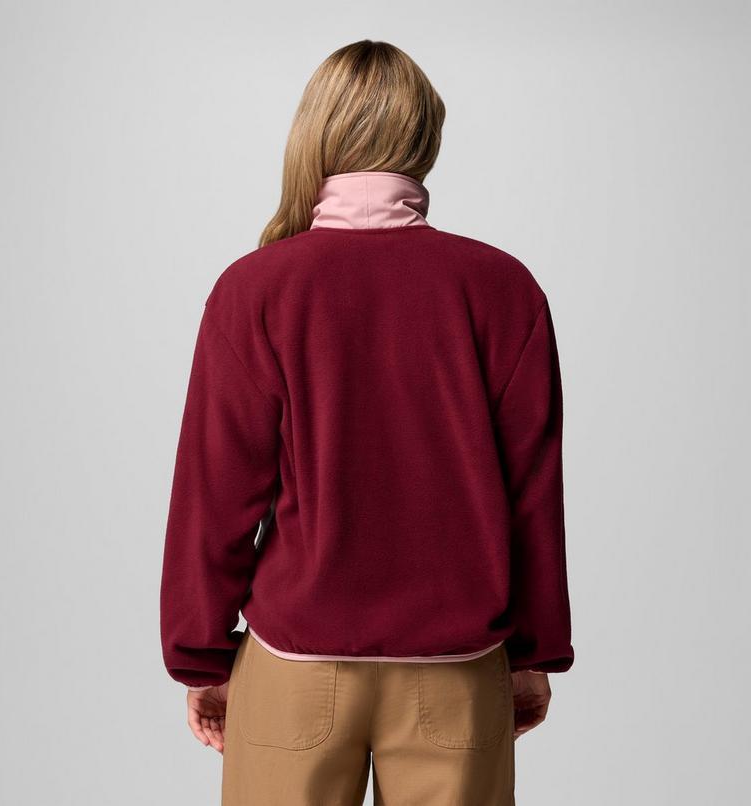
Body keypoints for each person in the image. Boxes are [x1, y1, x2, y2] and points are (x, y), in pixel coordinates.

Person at [159, 38, 574, 806]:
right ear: (426, 140)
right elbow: (531, 496)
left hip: (294, 663)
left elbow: (215, 492)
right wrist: (533, 652)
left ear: (315, 135)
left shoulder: (254, 290)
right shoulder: (504, 288)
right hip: (458, 669)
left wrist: (202, 656)